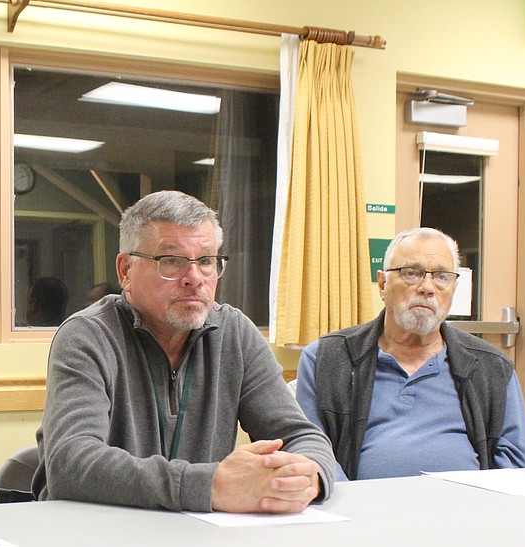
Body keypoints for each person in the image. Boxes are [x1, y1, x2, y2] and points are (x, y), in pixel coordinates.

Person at [33, 190, 336, 514]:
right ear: (126, 272)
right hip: (98, 539)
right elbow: (71, 464)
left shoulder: (234, 334)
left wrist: (305, 478)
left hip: (202, 540)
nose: (194, 278)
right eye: (172, 261)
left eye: (206, 261)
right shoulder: (88, 336)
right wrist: (211, 485)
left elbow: (304, 438)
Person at [294, 226, 525, 480]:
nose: (427, 287)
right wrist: (356, 504)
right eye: (412, 273)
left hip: (464, 512)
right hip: (364, 513)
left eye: (442, 276)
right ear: (383, 284)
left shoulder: (490, 367)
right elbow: (312, 452)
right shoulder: (328, 359)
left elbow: (515, 466)